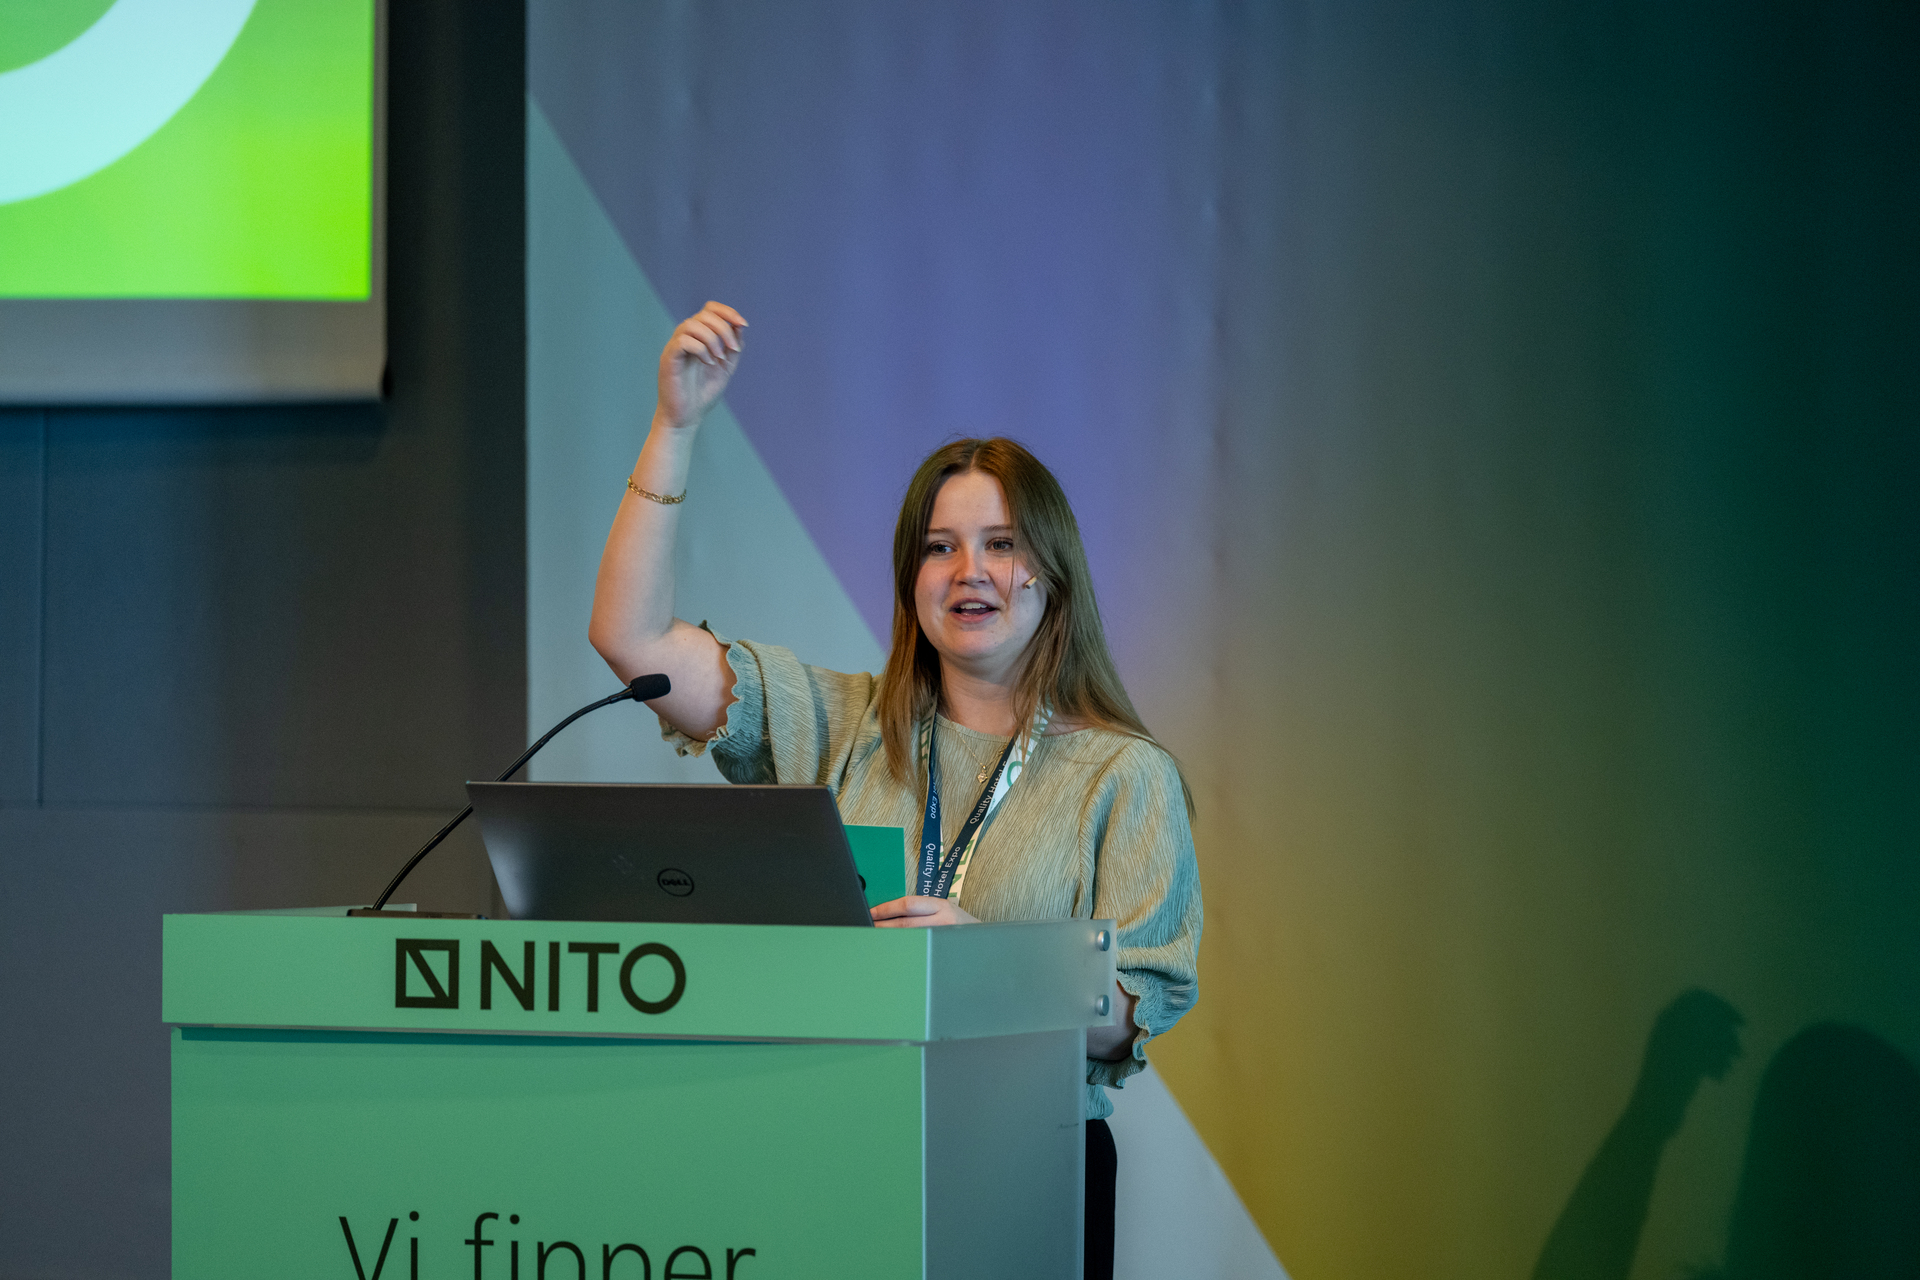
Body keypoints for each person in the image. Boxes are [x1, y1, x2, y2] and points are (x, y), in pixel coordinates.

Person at [589, 301, 1203, 1279]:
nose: (969, 571)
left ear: (1051, 571)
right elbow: (634, 643)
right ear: (909, 577)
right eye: (938, 546)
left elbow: (1126, 1015)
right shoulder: (833, 722)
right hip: (835, 1147)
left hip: (1026, 1163)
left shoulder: (1125, 776)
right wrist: (676, 424)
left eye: (1001, 543)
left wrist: (981, 964)